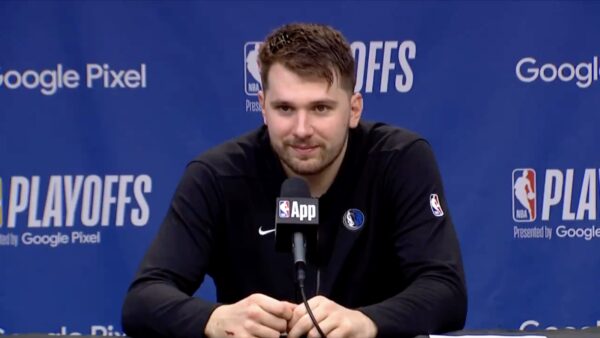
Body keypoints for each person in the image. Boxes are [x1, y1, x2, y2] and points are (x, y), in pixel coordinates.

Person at [122, 23, 467, 338]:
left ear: (354, 109)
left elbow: (445, 290)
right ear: (263, 107)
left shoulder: (400, 160)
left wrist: (367, 321)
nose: (302, 130)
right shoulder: (217, 175)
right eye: (285, 109)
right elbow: (143, 299)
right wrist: (214, 319)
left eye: (320, 108)